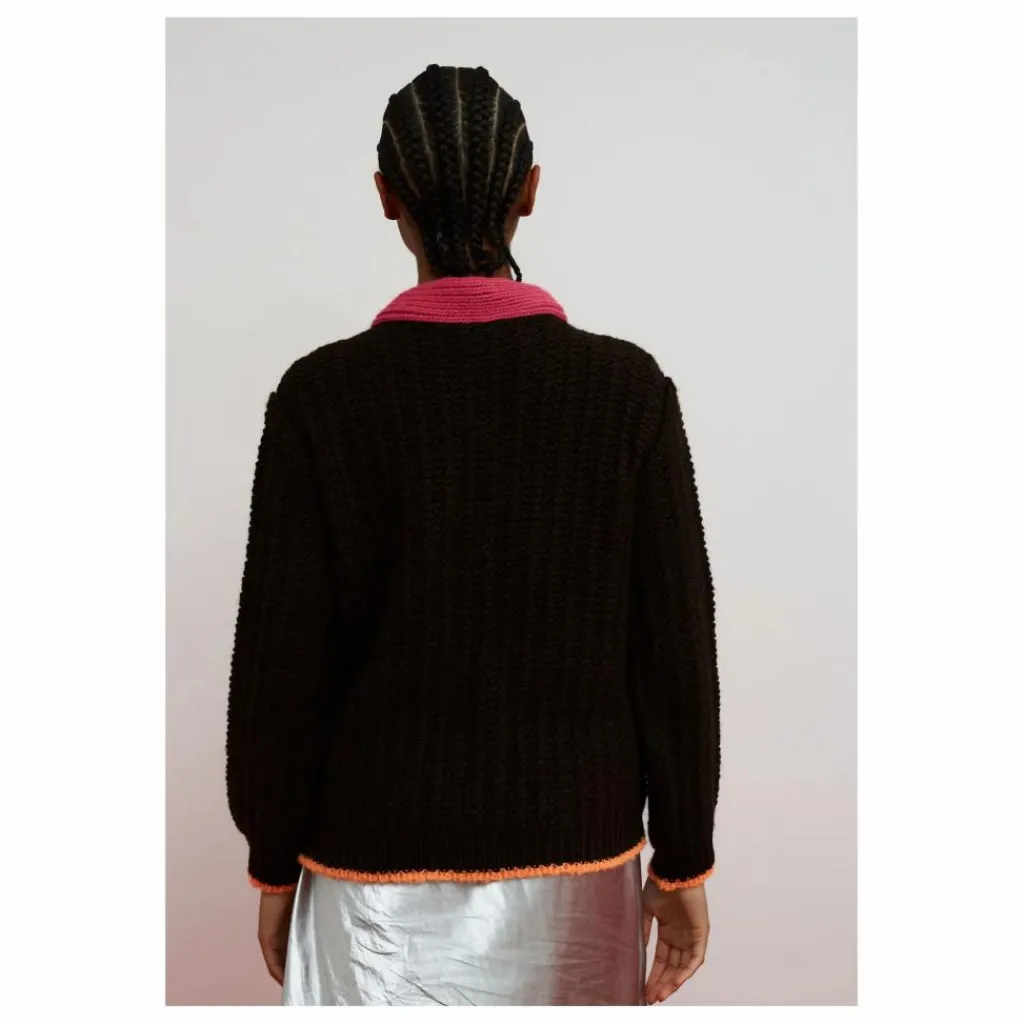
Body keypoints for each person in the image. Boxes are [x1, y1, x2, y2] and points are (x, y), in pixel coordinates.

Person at [225, 63, 721, 1007]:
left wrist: (273, 866)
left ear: (387, 198)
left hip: (367, 875)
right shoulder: (627, 393)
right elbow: (674, 656)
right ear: (529, 189)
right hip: (577, 873)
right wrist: (683, 859)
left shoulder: (320, 399)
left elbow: (279, 669)